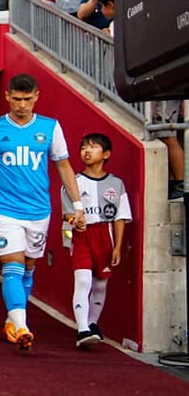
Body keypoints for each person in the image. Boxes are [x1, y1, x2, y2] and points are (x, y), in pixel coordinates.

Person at [0, 74, 88, 351]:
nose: (22, 104)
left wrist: (77, 205)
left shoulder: (50, 128)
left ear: (36, 96)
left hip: (39, 211)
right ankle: (22, 326)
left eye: (27, 99)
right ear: (8, 97)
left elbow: (63, 166)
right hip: (5, 210)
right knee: (12, 267)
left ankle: (13, 320)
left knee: (28, 269)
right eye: (17, 99)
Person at [65, 133, 131, 348]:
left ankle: (92, 323)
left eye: (93, 147)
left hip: (106, 234)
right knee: (83, 281)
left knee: (100, 283)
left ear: (106, 154)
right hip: (83, 235)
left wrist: (118, 247)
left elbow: (121, 217)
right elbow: (66, 213)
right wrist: (75, 220)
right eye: (83, 147)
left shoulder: (116, 183)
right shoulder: (73, 181)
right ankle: (82, 329)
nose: (87, 151)